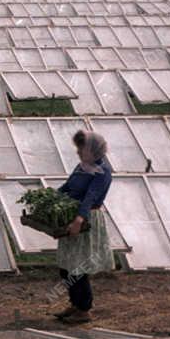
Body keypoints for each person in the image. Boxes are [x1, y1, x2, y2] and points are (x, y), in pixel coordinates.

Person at [54, 129, 115, 324]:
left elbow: (90, 197)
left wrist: (79, 220)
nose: (79, 153)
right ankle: (75, 303)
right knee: (67, 265)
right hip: (73, 215)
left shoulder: (103, 171)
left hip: (86, 219)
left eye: (82, 150)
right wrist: (51, 197)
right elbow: (68, 186)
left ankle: (84, 309)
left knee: (78, 266)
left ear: (93, 149)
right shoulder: (82, 166)